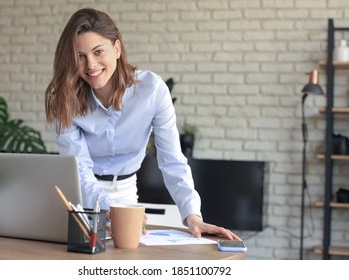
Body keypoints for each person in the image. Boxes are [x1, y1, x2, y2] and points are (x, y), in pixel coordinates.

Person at [45, 7, 240, 241]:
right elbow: (81, 170)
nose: (91, 65)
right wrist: (108, 207)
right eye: (80, 56)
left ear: (116, 48)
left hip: (126, 191)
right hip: (78, 194)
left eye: (98, 52)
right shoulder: (66, 99)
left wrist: (192, 215)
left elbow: (172, 160)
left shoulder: (152, 91)